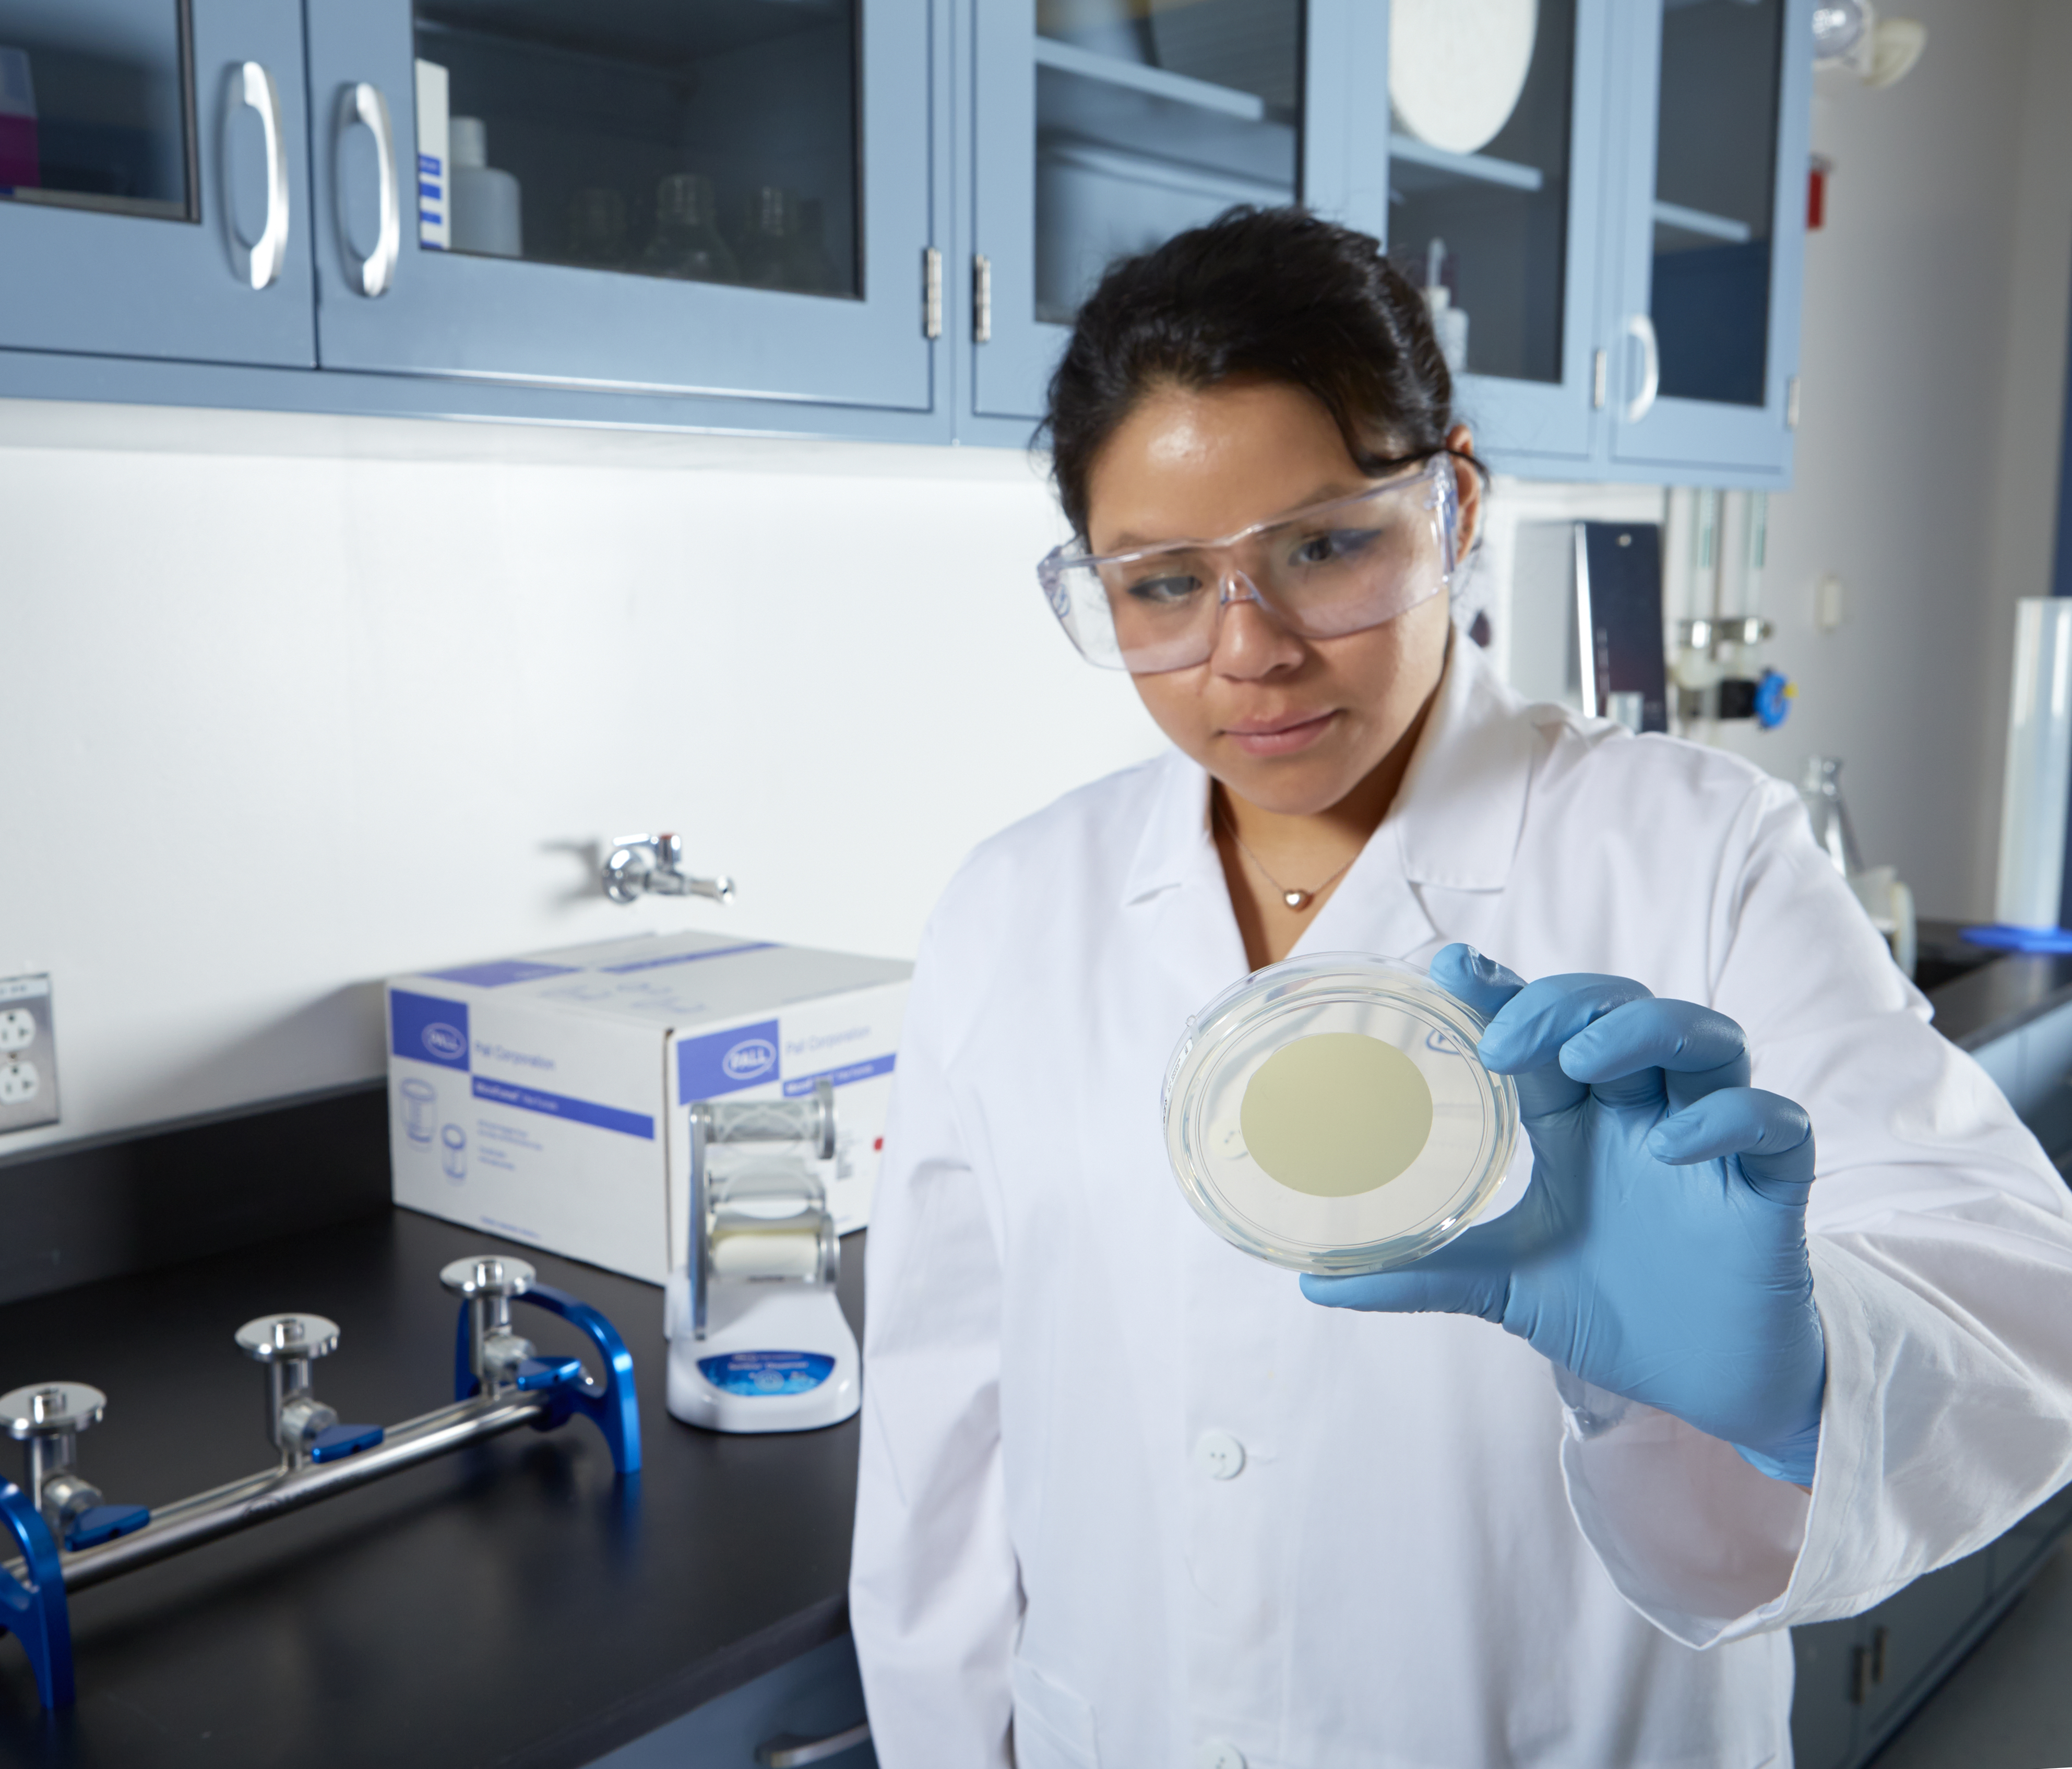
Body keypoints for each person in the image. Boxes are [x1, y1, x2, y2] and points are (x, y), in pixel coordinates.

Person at [847, 207, 2072, 1768]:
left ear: (1454, 502)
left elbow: (2014, 1291)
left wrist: (1803, 1370)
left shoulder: (1692, 852)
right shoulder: (1012, 907)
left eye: (1323, 547)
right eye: (1161, 585)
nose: (1251, 651)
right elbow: (943, 1442)